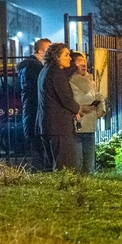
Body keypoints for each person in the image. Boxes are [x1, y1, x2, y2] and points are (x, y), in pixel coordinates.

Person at [37, 42, 80, 170]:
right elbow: (66, 99)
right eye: (66, 55)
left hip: (46, 125)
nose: (70, 58)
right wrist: (77, 109)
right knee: (63, 166)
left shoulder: (45, 71)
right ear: (56, 57)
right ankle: (64, 189)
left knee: (52, 164)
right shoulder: (56, 73)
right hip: (59, 127)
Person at [68, 50, 106, 173]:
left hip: (90, 127)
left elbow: (99, 97)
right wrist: (80, 109)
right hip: (76, 127)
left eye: (85, 62)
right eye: (80, 62)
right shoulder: (68, 81)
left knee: (89, 164)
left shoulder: (91, 81)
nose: (84, 65)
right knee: (77, 163)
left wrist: (100, 111)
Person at [20, 38, 51, 170]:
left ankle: (40, 171)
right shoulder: (35, 68)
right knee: (38, 146)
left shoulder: (29, 66)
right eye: (48, 50)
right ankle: (40, 173)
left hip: (31, 111)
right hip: (34, 111)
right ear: (40, 51)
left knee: (37, 145)